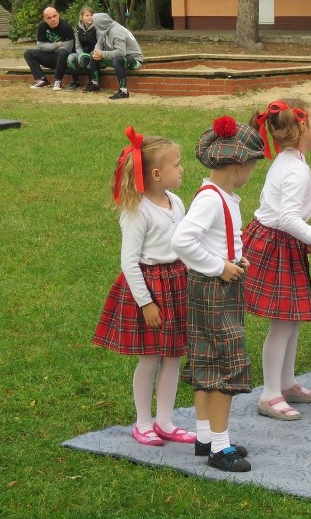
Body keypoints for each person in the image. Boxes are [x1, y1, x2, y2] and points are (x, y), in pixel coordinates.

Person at [243, 98, 311, 421]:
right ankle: (269, 394)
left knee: (291, 321)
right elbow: (288, 218)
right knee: (283, 323)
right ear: (303, 127)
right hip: (277, 245)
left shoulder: (291, 161)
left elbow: (291, 217)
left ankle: (286, 383)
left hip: (280, 242)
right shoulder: (295, 170)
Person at [171, 116, 263, 473]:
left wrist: (233, 258)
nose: (251, 172)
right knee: (224, 363)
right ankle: (220, 448)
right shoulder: (211, 199)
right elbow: (182, 241)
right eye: (252, 166)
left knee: (207, 358)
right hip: (214, 289)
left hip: (214, 286)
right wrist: (219, 266)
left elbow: (214, 238)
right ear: (239, 165)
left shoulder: (220, 194)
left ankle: (205, 436)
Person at [92, 126, 193, 448]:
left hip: (178, 283)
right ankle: (143, 421)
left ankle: (165, 421)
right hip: (151, 287)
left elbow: (185, 244)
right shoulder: (136, 211)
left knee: (174, 355)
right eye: (176, 165)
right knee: (150, 357)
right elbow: (129, 262)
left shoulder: (176, 202)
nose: (182, 169)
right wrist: (146, 303)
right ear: (156, 173)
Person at [87, 12, 144, 100]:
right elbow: (99, 44)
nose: (93, 25)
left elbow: (121, 53)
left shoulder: (116, 31)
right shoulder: (105, 29)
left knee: (117, 60)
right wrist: (96, 52)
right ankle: (95, 84)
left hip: (134, 60)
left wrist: (102, 54)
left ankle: (123, 91)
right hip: (120, 58)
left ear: (100, 24)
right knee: (92, 55)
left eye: (95, 23)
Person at [23, 6, 75, 90]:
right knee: (28, 53)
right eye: (49, 18)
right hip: (50, 57)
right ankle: (42, 80)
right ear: (45, 20)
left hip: (64, 60)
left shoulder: (66, 27)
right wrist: (56, 45)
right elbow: (40, 46)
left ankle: (58, 81)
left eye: (54, 16)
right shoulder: (42, 27)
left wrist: (47, 46)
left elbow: (67, 48)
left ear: (58, 15)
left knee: (62, 52)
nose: (53, 19)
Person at [66, 6, 98, 91]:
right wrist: (80, 53)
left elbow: (100, 44)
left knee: (82, 57)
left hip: (95, 53)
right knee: (70, 58)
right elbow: (78, 45)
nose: (90, 17)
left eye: (91, 15)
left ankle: (92, 82)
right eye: (87, 15)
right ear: (82, 17)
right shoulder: (78, 29)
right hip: (83, 53)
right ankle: (75, 82)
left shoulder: (97, 27)